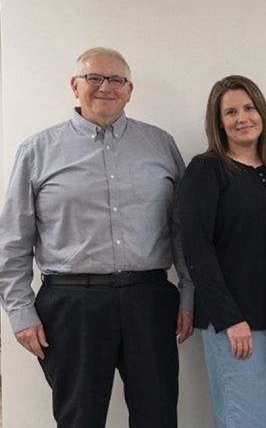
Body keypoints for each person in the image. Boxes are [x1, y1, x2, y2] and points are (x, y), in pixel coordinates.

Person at [0, 47, 194, 427]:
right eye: (94, 78)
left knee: (157, 416)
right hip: (72, 306)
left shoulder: (160, 145)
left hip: (150, 300)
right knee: (79, 419)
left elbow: (183, 230)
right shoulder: (37, 151)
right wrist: (20, 312)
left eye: (116, 79)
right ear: (75, 86)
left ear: (129, 89)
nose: (106, 87)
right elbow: (13, 240)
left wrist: (188, 293)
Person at [176, 75, 266, 428]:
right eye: (230, 112)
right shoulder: (206, 170)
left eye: (248, 107)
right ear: (218, 122)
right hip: (233, 322)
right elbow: (196, 249)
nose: (242, 118)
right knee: (250, 422)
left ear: (262, 112)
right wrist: (230, 318)